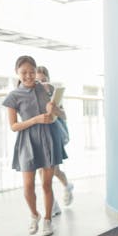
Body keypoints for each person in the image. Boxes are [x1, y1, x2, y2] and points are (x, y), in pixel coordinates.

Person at [2, 56, 67, 236]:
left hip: (49, 138)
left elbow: (63, 115)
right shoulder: (13, 96)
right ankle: (34, 214)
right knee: (28, 186)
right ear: (17, 73)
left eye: (31, 72)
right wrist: (36, 119)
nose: (28, 76)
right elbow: (13, 126)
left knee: (47, 184)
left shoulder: (47, 89)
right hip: (27, 141)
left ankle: (47, 220)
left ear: (36, 71)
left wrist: (55, 110)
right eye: (24, 73)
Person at [36, 66, 74, 211]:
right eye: (38, 81)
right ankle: (53, 205)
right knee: (42, 171)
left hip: (53, 136)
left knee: (54, 171)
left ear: (48, 80)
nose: (41, 84)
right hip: (38, 136)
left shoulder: (53, 95)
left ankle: (67, 185)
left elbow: (64, 115)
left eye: (43, 80)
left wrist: (54, 109)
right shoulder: (31, 95)